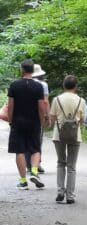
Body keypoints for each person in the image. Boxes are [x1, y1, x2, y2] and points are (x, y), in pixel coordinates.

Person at [8, 59, 46, 190]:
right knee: (35, 148)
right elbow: (41, 107)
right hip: (34, 122)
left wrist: (11, 120)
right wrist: (42, 121)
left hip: (18, 122)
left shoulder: (14, 85)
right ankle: (34, 171)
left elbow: (10, 105)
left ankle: (23, 181)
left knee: (20, 151)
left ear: (22, 70)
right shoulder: (38, 86)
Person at [50, 75, 86, 204]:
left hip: (58, 134)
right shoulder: (81, 100)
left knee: (61, 162)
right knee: (71, 166)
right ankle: (70, 196)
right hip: (75, 135)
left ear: (64, 86)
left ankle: (60, 191)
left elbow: (52, 117)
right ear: (75, 86)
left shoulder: (56, 99)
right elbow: (82, 119)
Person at [25, 64, 50, 174]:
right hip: (38, 116)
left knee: (26, 141)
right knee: (37, 141)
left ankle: (28, 165)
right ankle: (37, 164)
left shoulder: (24, 83)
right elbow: (45, 102)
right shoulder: (43, 84)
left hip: (24, 115)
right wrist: (47, 116)